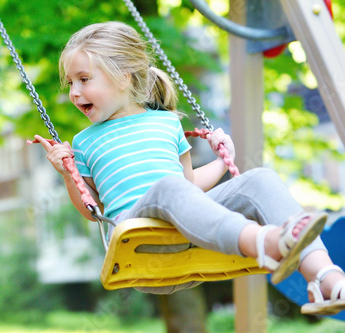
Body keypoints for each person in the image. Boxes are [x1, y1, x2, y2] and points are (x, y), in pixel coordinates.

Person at [33, 21, 345, 315]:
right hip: (140, 244)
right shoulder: (84, 142)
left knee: (260, 178)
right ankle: (265, 242)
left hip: (192, 235)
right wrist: (67, 173)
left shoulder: (166, 122)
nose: (74, 92)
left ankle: (325, 278)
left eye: (84, 80)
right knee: (168, 187)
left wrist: (223, 162)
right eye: (71, 83)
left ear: (123, 76)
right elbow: (92, 208)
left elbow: (190, 185)